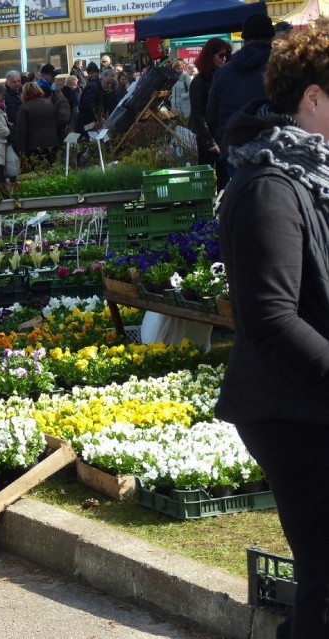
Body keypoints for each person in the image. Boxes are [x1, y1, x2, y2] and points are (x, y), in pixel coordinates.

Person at [215, 18, 329, 639]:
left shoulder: (320, 174)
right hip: (296, 414)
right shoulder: (269, 184)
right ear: (313, 97)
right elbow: (271, 320)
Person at [207, 13, 274, 172]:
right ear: (271, 38)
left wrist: (226, 140)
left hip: (235, 152)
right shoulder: (281, 68)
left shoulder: (223, 73)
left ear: (244, 39)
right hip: (274, 150)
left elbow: (211, 115)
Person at [188, 37, 232, 191]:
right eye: (221, 55)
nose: (224, 59)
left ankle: (222, 210)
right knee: (204, 180)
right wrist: (209, 141)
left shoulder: (225, 78)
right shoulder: (199, 82)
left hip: (224, 135)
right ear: (210, 56)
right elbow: (198, 113)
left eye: (226, 55)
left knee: (225, 180)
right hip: (208, 136)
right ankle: (205, 211)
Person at [16, 81, 70, 168]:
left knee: (36, 170)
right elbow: (56, 120)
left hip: (33, 145)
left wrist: (21, 148)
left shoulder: (24, 108)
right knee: (51, 168)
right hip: (51, 142)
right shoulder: (48, 103)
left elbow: (21, 130)